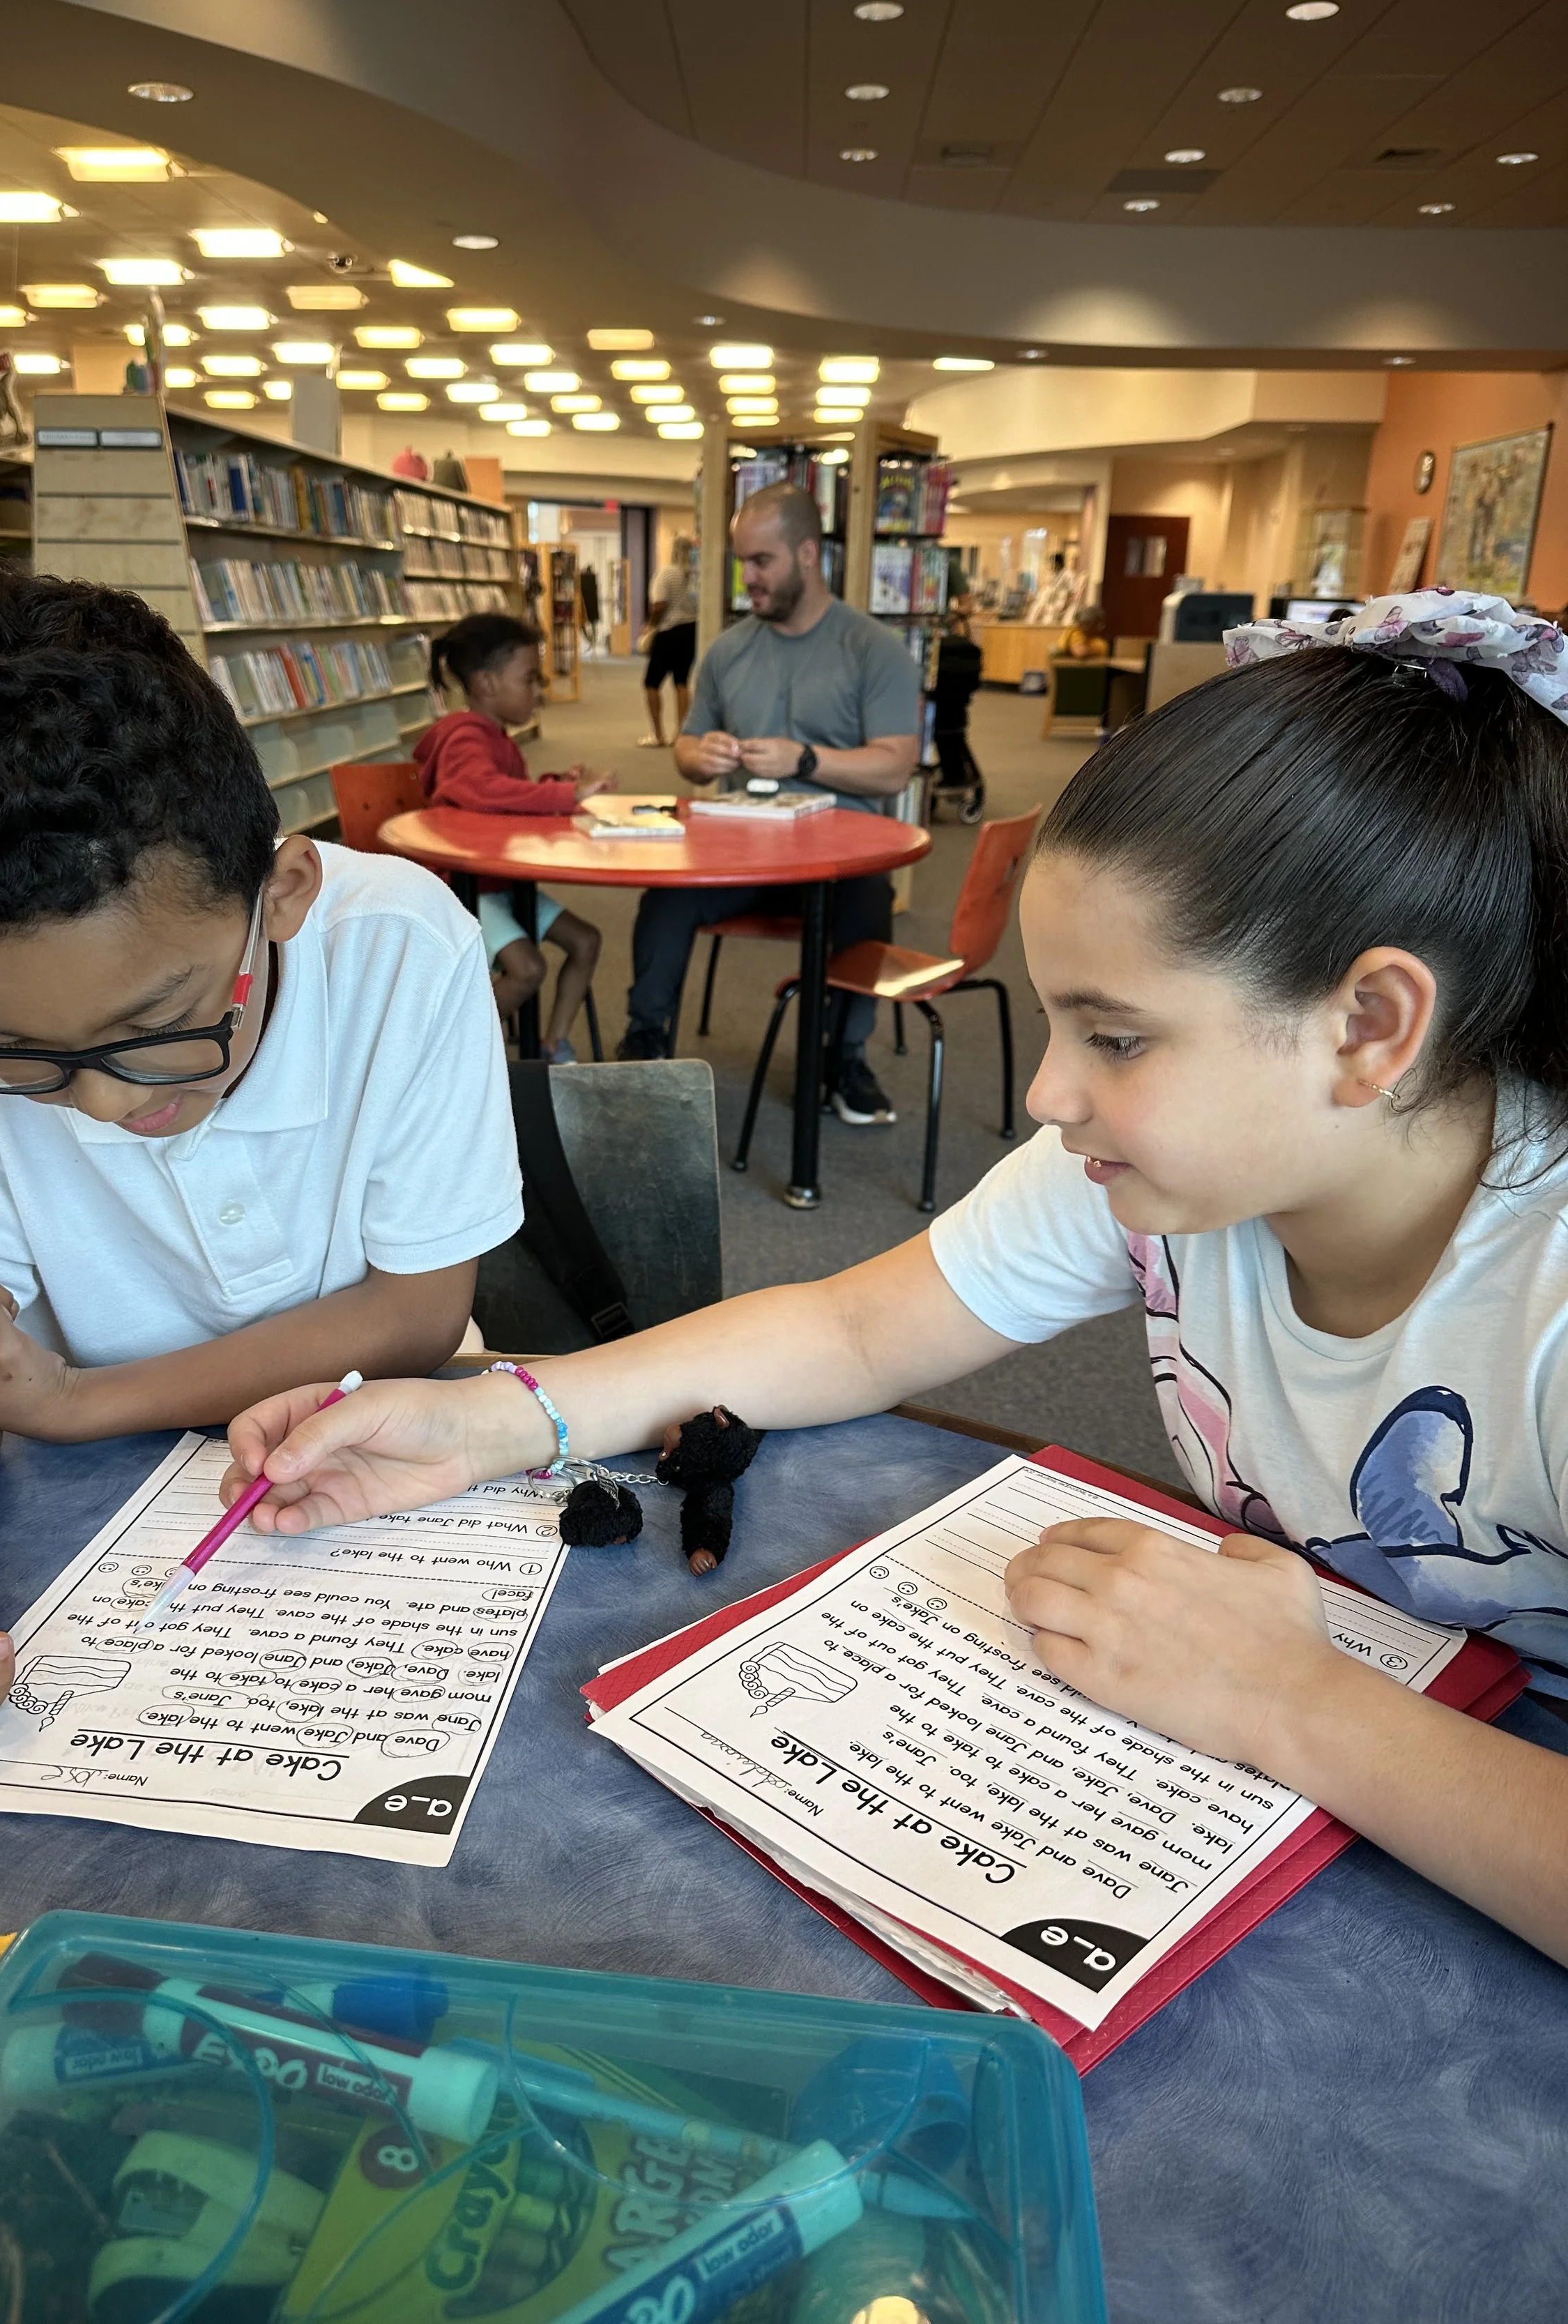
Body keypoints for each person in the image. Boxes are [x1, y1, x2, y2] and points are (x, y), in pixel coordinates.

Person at [220, 591, 1568, 1973]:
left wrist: (1301, 1704)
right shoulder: (1155, 1170)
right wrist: (485, 1418)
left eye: (1114, 1036)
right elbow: (853, 1325)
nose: (1047, 1094)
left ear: (1366, 1027)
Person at [0, 569, 523, 1726]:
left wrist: (76, 1400)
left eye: (157, 1030)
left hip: (381, 1436)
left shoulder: (401, 946)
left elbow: (417, 1307)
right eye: (15, 1050)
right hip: (78, 1491)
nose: (99, 1102)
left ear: (283, 890)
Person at [621, 485, 921, 1130]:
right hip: (741, 852)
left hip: (838, 857)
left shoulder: (873, 649)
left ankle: (843, 1058)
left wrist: (805, 760)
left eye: (761, 561)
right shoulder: (728, 650)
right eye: (741, 563)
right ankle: (645, 1042)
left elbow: (896, 762)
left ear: (807, 554)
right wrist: (702, 757)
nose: (747, 578)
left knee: (868, 904)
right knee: (666, 895)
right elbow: (687, 744)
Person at [416, 613, 609, 1064]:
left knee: (587, 941)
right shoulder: (465, 738)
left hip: (503, 884)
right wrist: (564, 794)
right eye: (529, 679)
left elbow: (505, 797)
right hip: (465, 888)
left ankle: (551, 1046)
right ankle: (451, 1057)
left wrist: (554, 783)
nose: (538, 691)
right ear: (486, 683)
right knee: (528, 969)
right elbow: (479, 789)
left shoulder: (497, 739)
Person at [639, 533, 699, 748]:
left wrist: (650, 626)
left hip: (668, 631)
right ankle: (681, 733)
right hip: (691, 630)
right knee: (682, 682)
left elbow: (658, 606)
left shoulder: (666, 573)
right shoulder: (693, 576)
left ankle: (658, 735)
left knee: (651, 683)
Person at [928, 609, 984, 819]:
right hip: (954, 715)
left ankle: (950, 779)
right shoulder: (963, 649)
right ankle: (953, 776)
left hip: (942, 713)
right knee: (952, 741)